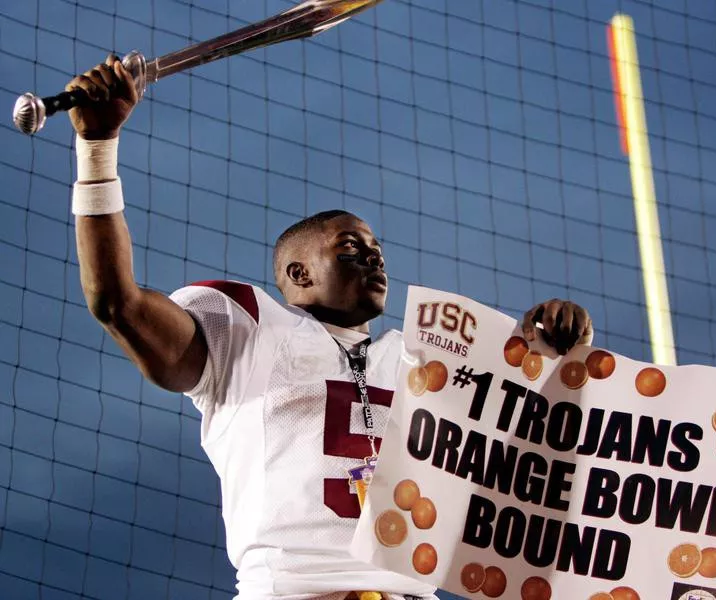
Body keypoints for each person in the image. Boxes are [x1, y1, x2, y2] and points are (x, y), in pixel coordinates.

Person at [65, 56, 595, 600]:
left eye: (378, 252)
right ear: (299, 273)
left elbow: (541, 442)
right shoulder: (244, 326)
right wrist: (98, 148)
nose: (374, 261)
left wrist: (559, 350)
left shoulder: (423, 358)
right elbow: (117, 303)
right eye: (350, 249)